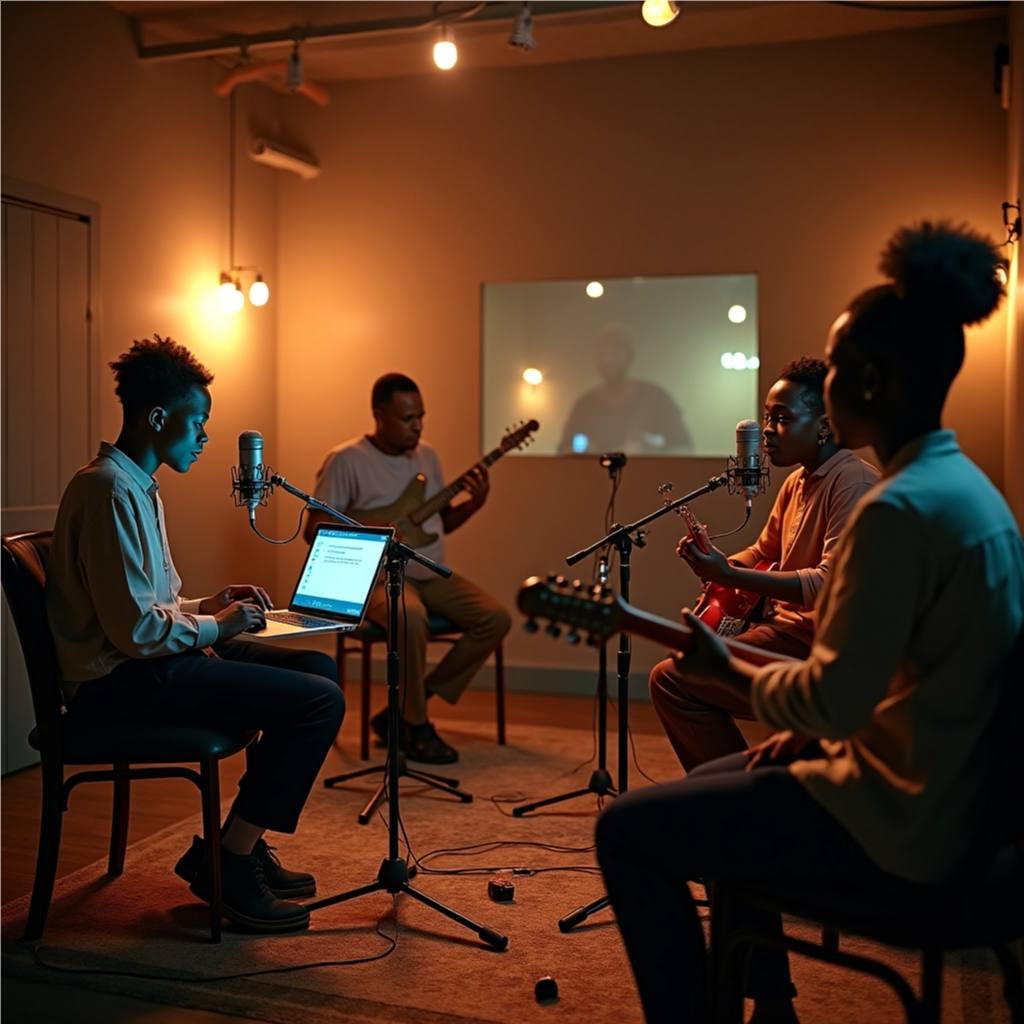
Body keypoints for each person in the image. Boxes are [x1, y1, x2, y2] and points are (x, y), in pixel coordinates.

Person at [596, 222, 1024, 1024]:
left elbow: (831, 704)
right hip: (951, 803)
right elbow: (883, 689)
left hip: (902, 826)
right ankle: (771, 1004)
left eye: (836, 370)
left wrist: (727, 670)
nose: (822, 393)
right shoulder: (968, 492)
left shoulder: (894, 512)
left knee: (625, 829)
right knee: (710, 792)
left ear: (871, 382)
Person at [46, 336, 345, 934]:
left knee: (317, 669)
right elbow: (136, 632)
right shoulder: (108, 490)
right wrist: (220, 626)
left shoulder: (135, 486)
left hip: (142, 660)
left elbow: (141, 608)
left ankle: (236, 844)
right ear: (159, 418)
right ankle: (228, 864)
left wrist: (208, 607)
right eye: (198, 421)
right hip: (117, 681)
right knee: (319, 703)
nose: (206, 436)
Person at [649, 357, 879, 772]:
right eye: (767, 417)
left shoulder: (853, 482)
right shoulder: (797, 481)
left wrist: (729, 574)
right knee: (679, 668)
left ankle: (733, 794)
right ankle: (737, 788)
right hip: (784, 631)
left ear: (824, 425)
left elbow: (828, 583)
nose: (767, 430)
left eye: (782, 419)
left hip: (820, 648)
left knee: (674, 679)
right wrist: (715, 563)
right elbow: (764, 551)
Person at [305, 373, 511, 765]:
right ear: (380, 416)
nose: (418, 426)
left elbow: (440, 524)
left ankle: (405, 706)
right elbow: (313, 529)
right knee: (410, 618)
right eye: (408, 419)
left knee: (495, 619)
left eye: (421, 417)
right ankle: (416, 725)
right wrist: (375, 529)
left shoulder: (426, 456)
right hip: (377, 578)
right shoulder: (345, 460)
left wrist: (474, 504)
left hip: (428, 570)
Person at [558, 324, 693, 455]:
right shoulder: (584, 406)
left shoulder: (656, 399)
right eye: (602, 352)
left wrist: (653, 451)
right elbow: (562, 451)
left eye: (615, 352)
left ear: (630, 355)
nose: (608, 359)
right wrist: (579, 453)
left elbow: (683, 447)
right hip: (596, 472)